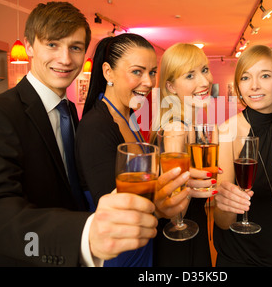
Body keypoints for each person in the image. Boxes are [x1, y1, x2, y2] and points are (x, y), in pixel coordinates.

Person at [0, 2, 157, 266]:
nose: (65, 59)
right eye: (52, 44)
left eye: (75, 47)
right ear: (29, 46)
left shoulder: (70, 113)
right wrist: (84, 235)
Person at [75, 34, 191, 266]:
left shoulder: (130, 118)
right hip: (118, 256)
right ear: (108, 73)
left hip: (143, 246)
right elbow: (114, 212)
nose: (148, 82)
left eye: (152, 72)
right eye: (137, 72)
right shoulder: (96, 126)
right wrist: (163, 207)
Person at [213, 45, 272, 267]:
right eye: (245, 77)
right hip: (242, 259)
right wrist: (226, 203)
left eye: (265, 75)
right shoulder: (228, 131)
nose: (254, 85)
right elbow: (223, 221)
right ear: (239, 86)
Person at [150, 43, 215, 266]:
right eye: (190, 75)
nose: (204, 82)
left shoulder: (191, 124)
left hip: (190, 231)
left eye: (204, 70)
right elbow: (177, 208)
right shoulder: (176, 129)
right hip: (180, 239)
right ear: (171, 86)